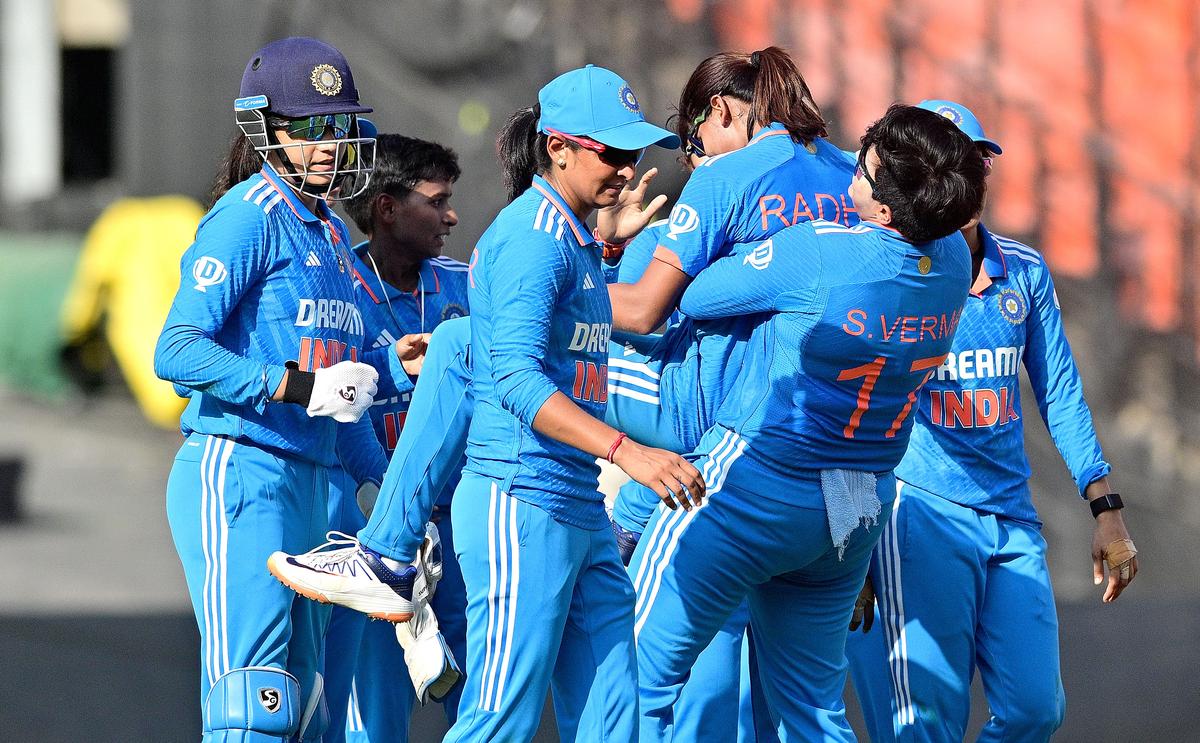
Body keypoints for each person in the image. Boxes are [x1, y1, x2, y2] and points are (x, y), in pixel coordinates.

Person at [272, 64, 703, 742]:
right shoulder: (532, 238)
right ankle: (384, 551)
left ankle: (385, 551)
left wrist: (612, 246)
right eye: (612, 152)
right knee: (497, 721)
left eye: (634, 152)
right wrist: (631, 453)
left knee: (618, 716)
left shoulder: (576, 241)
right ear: (558, 146)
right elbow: (520, 383)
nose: (626, 167)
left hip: (576, 503)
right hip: (518, 502)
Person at [630, 104, 987, 742]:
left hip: (754, 485)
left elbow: (697, 294)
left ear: (885, 205)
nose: (853, 161)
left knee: (633, 679)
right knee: (815, 714)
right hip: (855, 506)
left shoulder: (819, 253)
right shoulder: (957, 264)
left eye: (866, 161)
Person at [843, 99, 1140, 743]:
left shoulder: (1023, 272)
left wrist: (1105, 506)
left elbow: (1059, 392)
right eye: (952, 162)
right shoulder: (880, 271)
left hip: (1011, 521)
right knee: (925, 726)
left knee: (1038, 709)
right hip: (916, 516)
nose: (967, 177)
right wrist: (849, 542)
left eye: (976, 159)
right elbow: (842, 409)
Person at [154, 36, 393, 743]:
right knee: (254, 704)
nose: (330, 144)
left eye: (340, 125)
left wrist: (393, 494)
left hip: (318, 483)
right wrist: (288, 383)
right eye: (312, 127)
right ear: (265, 129)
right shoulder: (248, 215)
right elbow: (175, 348)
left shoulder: (329, 237)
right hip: (243, 469)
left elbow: (338, 402)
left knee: (309, 713)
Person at [317, 134, 469, 743]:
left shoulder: (465, 285)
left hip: (458, 533)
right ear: (387, 208)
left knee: (483, 704)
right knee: (373, 723)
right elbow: (330, 408)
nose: (452, 215)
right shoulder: (334, 288)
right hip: (373, 532)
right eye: (436, 201)